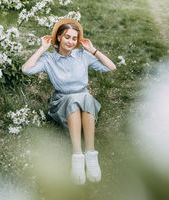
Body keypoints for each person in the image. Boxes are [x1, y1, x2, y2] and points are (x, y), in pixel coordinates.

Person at [22, 18, 116, 185]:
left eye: (74, 38)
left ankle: (91, 154)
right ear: (58, 37)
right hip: (62, 100)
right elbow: (26, 69)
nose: (71, 42)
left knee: (85, 98)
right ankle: (78, 156)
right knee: (74, 100)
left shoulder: (82, 55)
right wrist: (42, 48)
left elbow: (111, 67)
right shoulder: (48, 59)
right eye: (67, 37)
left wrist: (93, 50)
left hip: (84, 97)